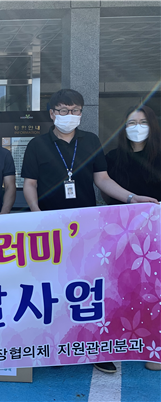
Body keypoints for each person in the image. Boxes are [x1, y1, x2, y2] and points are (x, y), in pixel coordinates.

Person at [21, 88, 158, 375]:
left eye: (75, 110)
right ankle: (54, 347)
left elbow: (102, 179)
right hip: (49, 227)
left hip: (86, 228)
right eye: (63, 110)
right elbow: (30, 184)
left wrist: (132, 198)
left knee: (89, 287)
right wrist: (36, 214)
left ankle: (94, 347)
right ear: (52, 113)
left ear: (81, 113)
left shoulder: (91, 141)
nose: (69, 115)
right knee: (51, 287)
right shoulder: (37, 145)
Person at [103, 105, 161, 372]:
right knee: (123, 288)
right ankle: (120, 342)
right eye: (131, 123)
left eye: (142, 122)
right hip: (122, 234)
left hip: (156, 235)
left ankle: (154, 347)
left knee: (155, 289)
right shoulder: (113, 158)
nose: (137, 128)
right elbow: (106, 192)